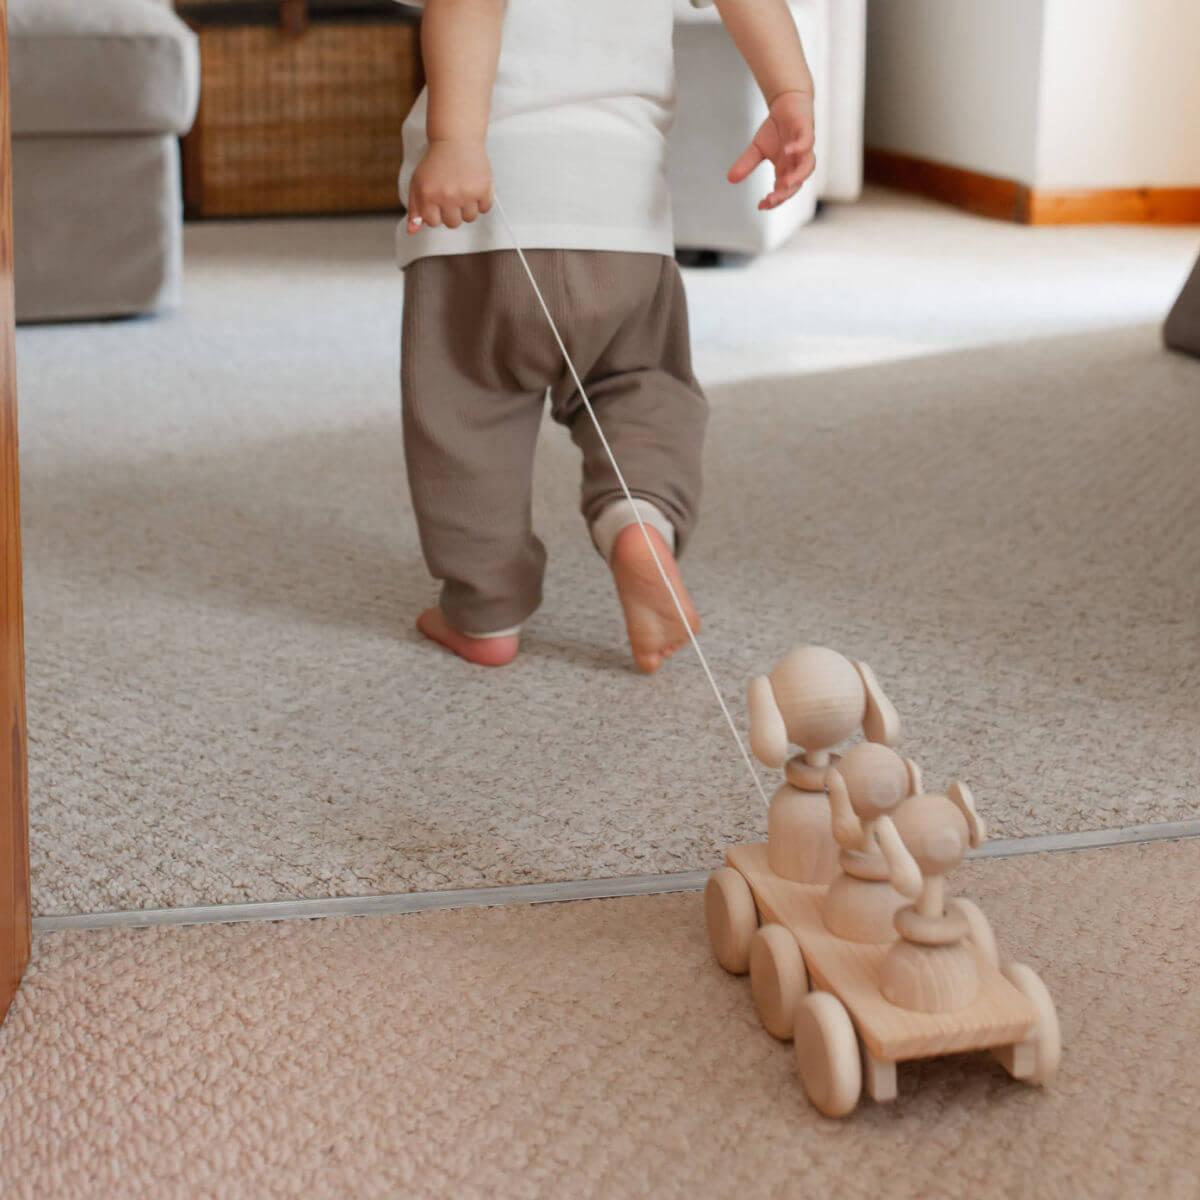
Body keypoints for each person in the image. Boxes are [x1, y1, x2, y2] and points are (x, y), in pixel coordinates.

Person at [399, 0, 816, 670]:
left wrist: (455, 141)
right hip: (623, 214)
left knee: (467, 411)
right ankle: (640, 519)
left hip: (487, 206)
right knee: (640, 385)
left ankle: (484, 612)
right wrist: (791, 93)